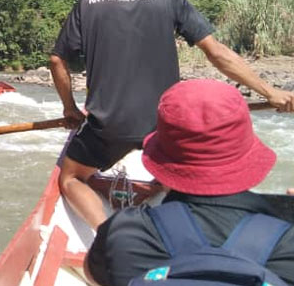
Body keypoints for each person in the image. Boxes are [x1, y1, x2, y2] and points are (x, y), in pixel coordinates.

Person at [50, 0, 294, 228]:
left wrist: (70, 109)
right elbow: (217, 53)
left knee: (71, 177)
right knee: (184, 173)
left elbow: (57, 61)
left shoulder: (88, 2)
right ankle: (171, 207)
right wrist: (271, 93)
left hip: (107, 128)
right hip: (164, 128)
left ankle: (106, 235)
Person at [84, 79, 294, 286]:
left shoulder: (126, 232)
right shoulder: (287, 243)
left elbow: (92, 275)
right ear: (247, 155)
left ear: (163, 162)